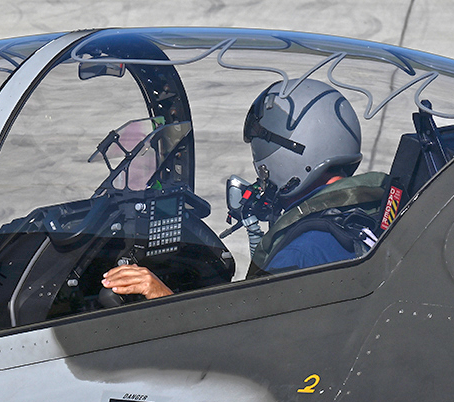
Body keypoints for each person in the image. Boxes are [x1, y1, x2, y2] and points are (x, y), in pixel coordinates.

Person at [103, 79, 381, 300]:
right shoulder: (374, 206)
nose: (259, 170)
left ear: (292, 154)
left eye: (260, 154)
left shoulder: (300, 256)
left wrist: (162, 298)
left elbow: (248, 348)